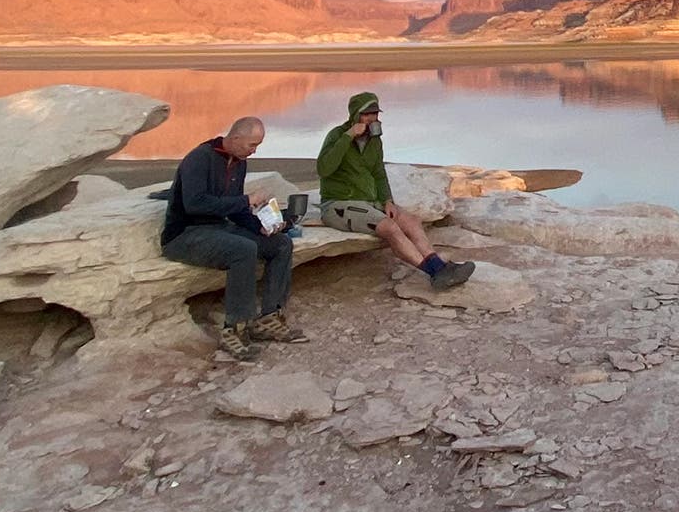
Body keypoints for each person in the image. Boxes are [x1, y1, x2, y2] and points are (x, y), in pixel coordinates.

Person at [160, 116, 308, 360]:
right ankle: (235, 329)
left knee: (280, 244)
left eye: (257, 145)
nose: (254, 150)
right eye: (252, 145)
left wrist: (258, 225)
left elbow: (234, 210)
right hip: (185, 235)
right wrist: (245, 201)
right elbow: (195, 204)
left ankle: (269, 318)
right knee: (243, 249)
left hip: (218, 228)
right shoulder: (199, 158)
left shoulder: (239, 162)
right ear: (235, 137)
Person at [316, 92, 475, 290]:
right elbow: (323, 168)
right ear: (355, 115)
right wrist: (348, 137)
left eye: (375, 114)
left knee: (410, 221)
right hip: (339, 204)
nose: (372, 119)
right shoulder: (337, 136)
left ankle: (440, 267)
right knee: (390, 228)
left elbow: (379, 173)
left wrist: (387, 200)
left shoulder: (374, 141)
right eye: (367, 114)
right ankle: (435, 272)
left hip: (369, 202)